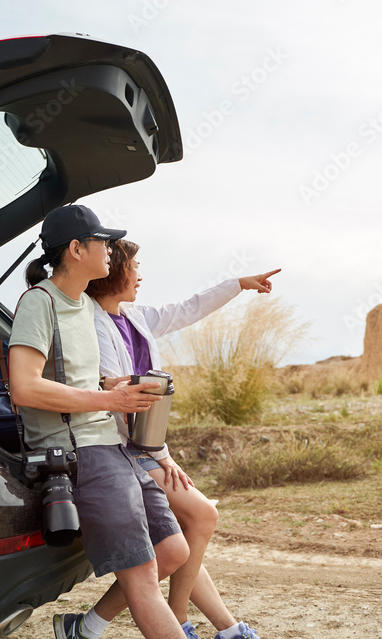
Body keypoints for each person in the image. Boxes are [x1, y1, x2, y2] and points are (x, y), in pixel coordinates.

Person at [8, 205, 189, 639]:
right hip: (80, 452)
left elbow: (79, 376)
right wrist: (108, 397)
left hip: (113, 445)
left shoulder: (85, 305)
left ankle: (82, 629)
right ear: (75, 249)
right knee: (143, 576)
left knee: (173, 549)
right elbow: (24, 388)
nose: (110, 250)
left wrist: (120, 383)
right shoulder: (40, 302)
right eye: (102, 242)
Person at [85, 239, 279, 639]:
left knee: (190, 532)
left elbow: (187, 309)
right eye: (135, 266)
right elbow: (114, 404)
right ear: (114, 270)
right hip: (123, 451)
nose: (140, 274)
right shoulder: (90, 324)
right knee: (202, 516)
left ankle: (224, 628)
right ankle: (183, 623)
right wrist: (161, 454)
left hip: (146, 447)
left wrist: (237, 284)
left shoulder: (135, 316)